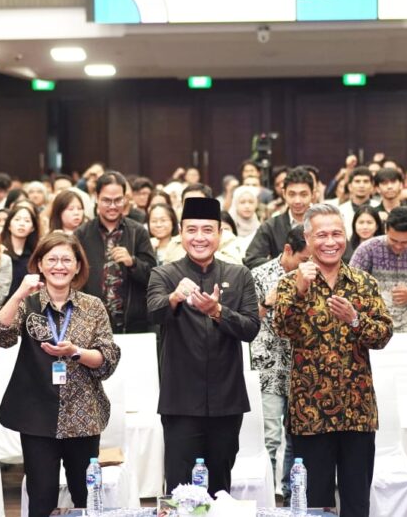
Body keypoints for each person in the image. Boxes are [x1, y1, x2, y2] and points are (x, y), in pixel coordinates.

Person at [0, 232, 121, 517]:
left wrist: (76, 352)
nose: (59, 266)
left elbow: (107, 359)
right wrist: (20, 292)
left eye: (66, 260)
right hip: (37, 416)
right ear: (40, 265)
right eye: (52, 260)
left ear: (77, 266)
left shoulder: (93, 306)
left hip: (84, 415)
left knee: (85, 495)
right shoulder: (28, 302)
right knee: (41, 496)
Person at [273, 204, 393, 516]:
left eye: (337, 234)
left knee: (356, 501)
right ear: (307, 238)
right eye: (322, 235)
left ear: (346, 236)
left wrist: (355, 320)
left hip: (357, 410)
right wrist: (300, 291)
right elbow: (282, 329)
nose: (330, 242)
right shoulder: (290, 282)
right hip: (310, 411)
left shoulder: (363, 282)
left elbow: (382, 335)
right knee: (314, 503)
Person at [147, 196, 260, 494]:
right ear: (181, 233)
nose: (200, 237)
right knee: (180, 488)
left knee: (220, 486)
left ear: (220, 234)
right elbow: (154, 312)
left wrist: (218, 311)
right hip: (181, 401)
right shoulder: (163, 274)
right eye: (192, 230)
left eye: (208, 230)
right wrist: (174, 297)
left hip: (226, 400)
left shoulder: (239, 274)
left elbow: (251, 329)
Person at [249, 225, 310, 495]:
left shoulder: (316, 275)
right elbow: (249, 321)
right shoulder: (259, 275)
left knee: (298, 436)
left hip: (303, 365)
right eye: (304, 259)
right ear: (288, 250)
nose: (309, 265)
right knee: (271, 436)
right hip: (269, 365)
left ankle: (289, 492)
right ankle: (266, 496)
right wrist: (268, 301)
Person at [75, 172, 156, 335]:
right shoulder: (82, 234)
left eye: (118, 200)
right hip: (92, 324)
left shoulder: (137, 231)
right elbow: (75, 278)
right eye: (106, 200)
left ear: (125, 199)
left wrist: (132, 262)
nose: (112, 206)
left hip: (132, 324)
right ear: (97, 197)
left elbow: (153, 277)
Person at [350, 207, 407, 334]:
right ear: (386, 229)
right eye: (394, 240)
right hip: (373, 329)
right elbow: (349, 286)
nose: (399, 246)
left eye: (405, 242)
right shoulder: (367, 249)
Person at [245, 167, 314, 268]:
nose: (297, 200)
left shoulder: (326, 223)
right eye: (292, 194)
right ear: (284, 194)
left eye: (303, 194)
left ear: (312, 194)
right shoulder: (271, 226)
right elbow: (251, 259)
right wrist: (281, 263)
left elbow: (345, 256)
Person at [3, 204, 39, 300]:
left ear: (33, 228)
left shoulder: (34, 256)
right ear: (9, 225)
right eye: (17, 219)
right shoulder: (0, 252)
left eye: (27, 221)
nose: (22, 224)